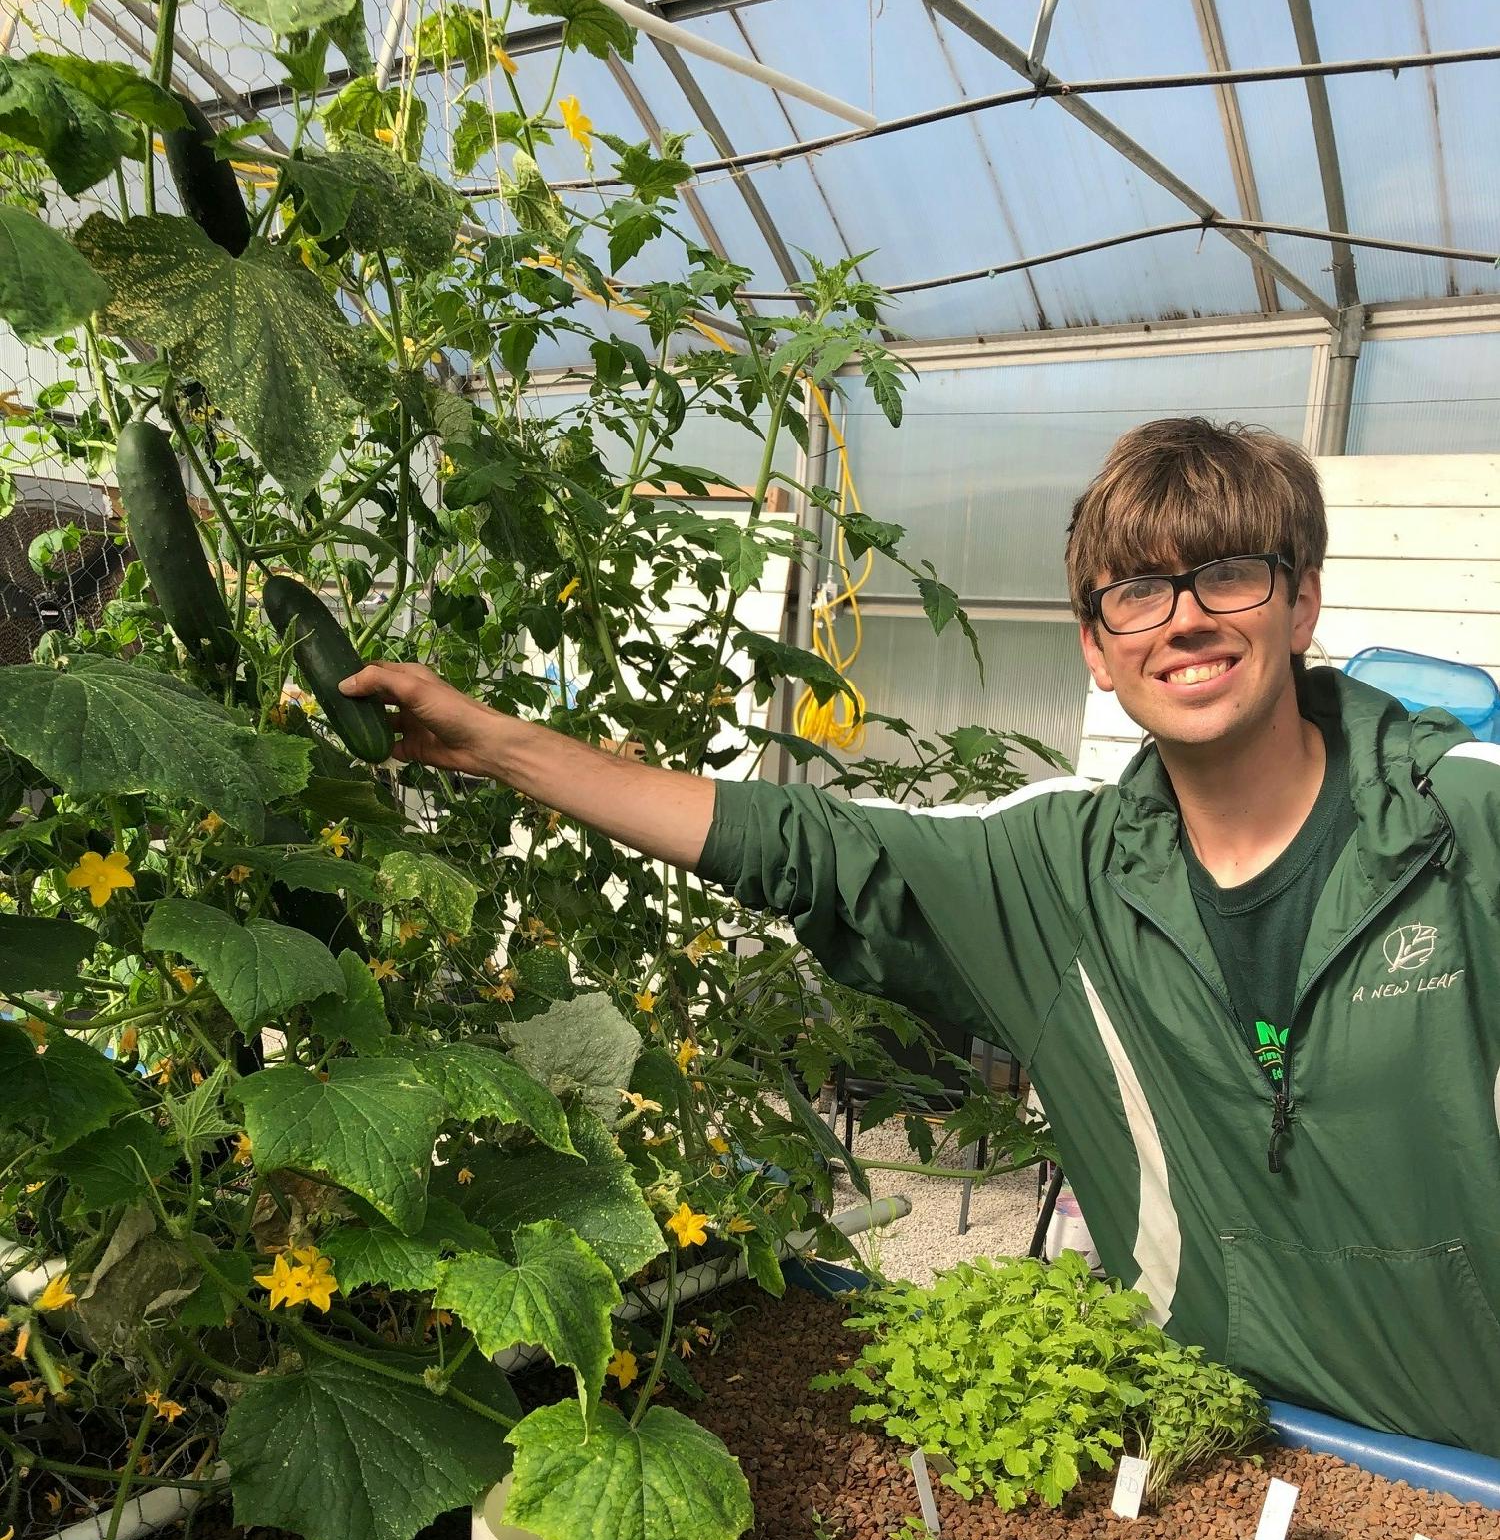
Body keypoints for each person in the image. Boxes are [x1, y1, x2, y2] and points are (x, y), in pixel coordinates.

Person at [342, 417, 1500, 1459]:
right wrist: (497, 745)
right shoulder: (1057, 871)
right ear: (1096, 649)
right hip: (1206, 1450)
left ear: (1301, 601)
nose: (1185, 615)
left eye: (1229, 574)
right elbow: (803, 839)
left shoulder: (1468, 825)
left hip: (1473, 1456)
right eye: (1135, 592)